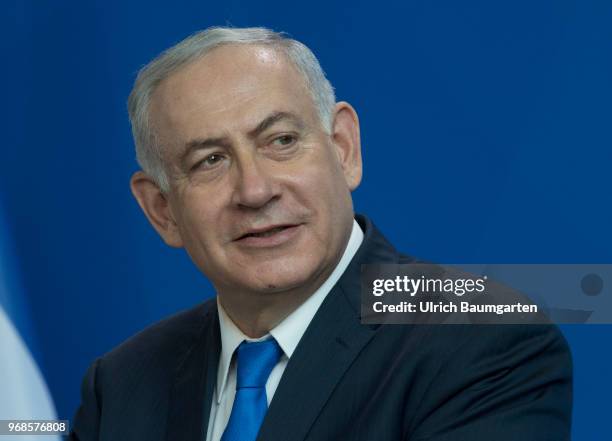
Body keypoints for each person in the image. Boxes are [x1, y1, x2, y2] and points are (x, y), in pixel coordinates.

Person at [70, 27, 572, 441]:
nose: (255, 189)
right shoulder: (120, 386)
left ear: (344, 148)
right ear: (162, 210)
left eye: (282, 140)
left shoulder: (483, 338)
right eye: (210, 161)